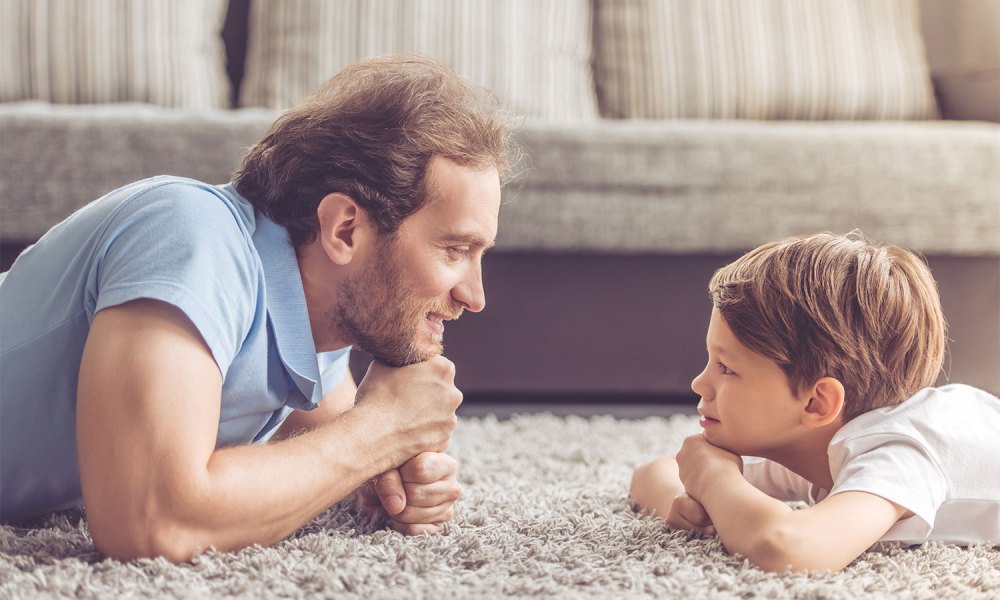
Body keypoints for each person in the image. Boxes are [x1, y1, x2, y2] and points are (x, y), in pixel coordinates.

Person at [0, 55, 519, 562]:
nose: (475, 296)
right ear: (345, 229)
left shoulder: (317, 328)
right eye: (455, 250)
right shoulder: (191, 235)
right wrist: (382, 429)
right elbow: (149, 519)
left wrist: (381, 477)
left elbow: (334, 445)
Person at [629, 232, 1000, 573]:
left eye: (726, 368)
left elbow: (788, 549)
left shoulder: (898, 453)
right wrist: (684, 500)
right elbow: (651, 474)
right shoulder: (813, 443)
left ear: (816, 404)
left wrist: (713, 479)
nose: (699, 383)